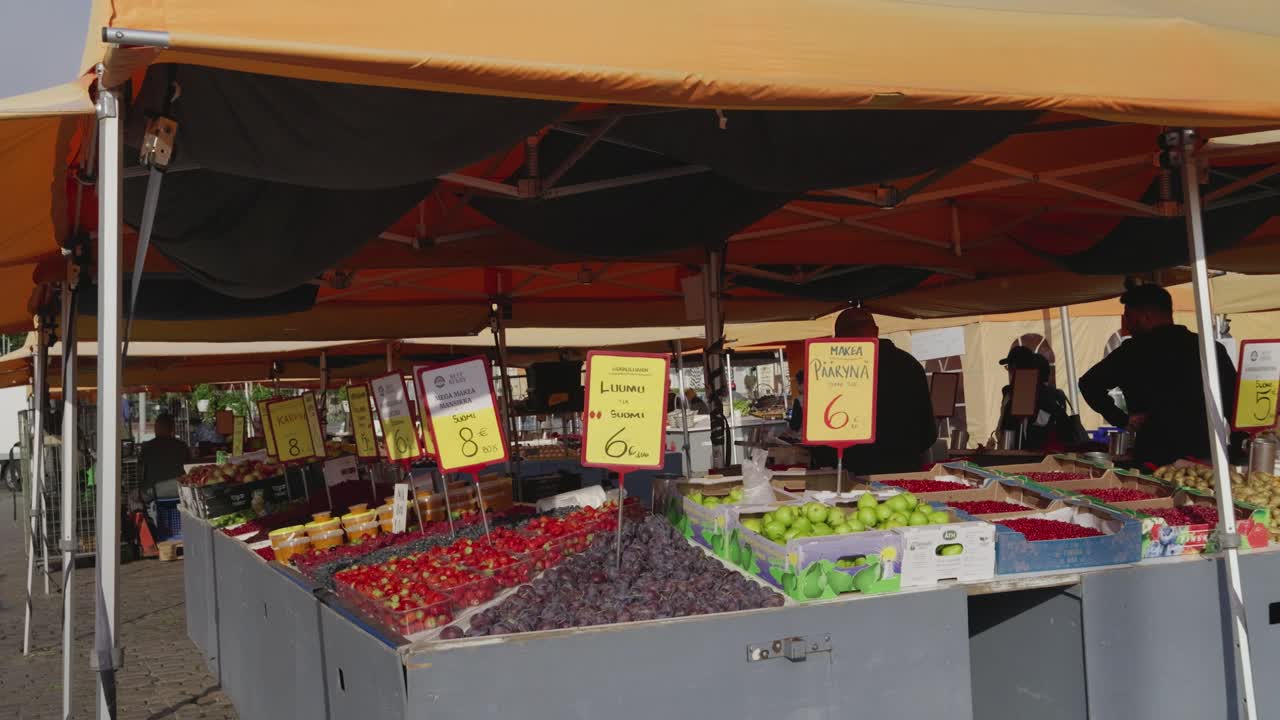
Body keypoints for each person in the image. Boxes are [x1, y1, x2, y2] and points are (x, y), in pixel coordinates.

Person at [1079, 283, 1237, 467]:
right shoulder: (1209, 349)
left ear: (1147, 316)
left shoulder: (1133, 352)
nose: (1127, 326)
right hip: (1204, 456)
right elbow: (1234, 400)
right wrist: (1237, 445)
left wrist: (1121, 419)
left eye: (1129, 318)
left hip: (1153, 457)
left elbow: (1089, 384)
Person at [824, 309, 937, 475]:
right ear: (876, 331)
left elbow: (824, 438)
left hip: (853, 475)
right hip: (905, 471)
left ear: (840, 337)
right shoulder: (910, 365)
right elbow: (928, 433)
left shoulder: (835, 372)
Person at [995, 346, 1071, 451]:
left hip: (1031, 455)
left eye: (1010, 367)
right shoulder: (1051, 393)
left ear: (1016, 367)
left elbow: (1012, 427)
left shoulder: (1024, 391)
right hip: (1045, 452)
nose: (1010, 372)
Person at [139, 413, 191, 500]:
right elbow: (188, 462)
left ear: (157, 428)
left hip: (152, 493)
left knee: (132, 496)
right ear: (172, 428)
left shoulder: (147, 447)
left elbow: (140, 469)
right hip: (178, 491)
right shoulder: (182, 446)